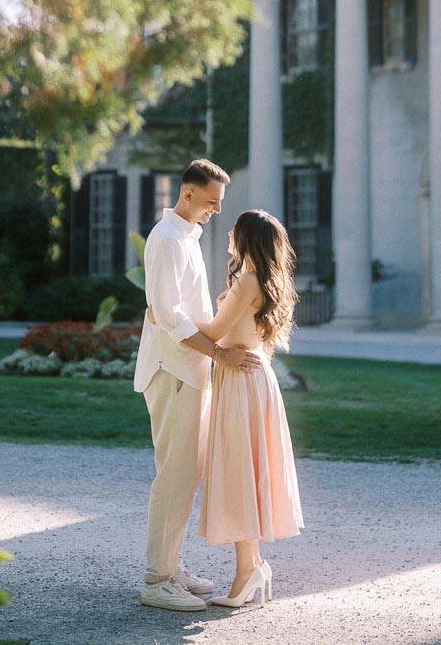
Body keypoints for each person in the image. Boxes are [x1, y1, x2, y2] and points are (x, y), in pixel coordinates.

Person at [134, 158, 263, 613]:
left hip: (190, 370)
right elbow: (169, 316)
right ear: (187, 194)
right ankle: (157, 579)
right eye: (211, 202)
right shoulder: (167, 240)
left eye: (219, 204)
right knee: (176, 476)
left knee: (187, 475)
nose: (215, 211)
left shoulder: (188, 237)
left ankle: (170, 565)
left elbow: (175, 311)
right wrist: (222, 354)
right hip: (173, 371)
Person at [195, 208, 304, 609]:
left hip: (241, 381)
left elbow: (211, 332)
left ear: (245, 239)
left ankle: (247, 571)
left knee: (241, 473)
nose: (228, 235)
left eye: (234, 231)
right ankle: (252, 563)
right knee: (248, 472)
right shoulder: (265, 281)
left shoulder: (246, 281)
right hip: (254, 380)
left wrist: (167, 316)